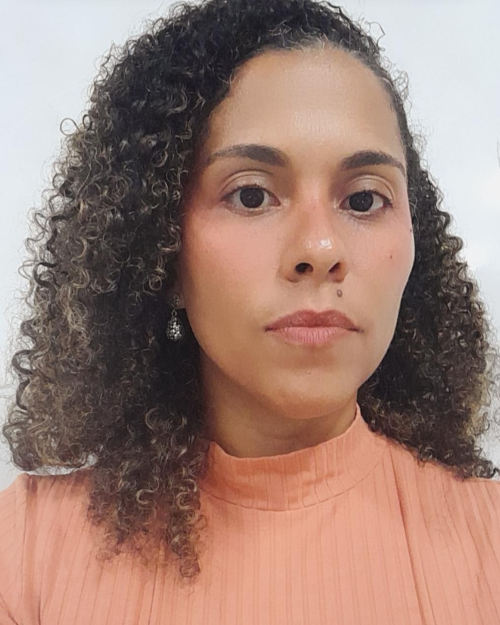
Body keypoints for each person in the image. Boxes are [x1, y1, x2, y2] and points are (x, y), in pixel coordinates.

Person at [1, 0, 500, 622]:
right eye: (253, 195)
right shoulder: (25, 559)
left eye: (364, 200)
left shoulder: (490, 547)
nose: (320, 249)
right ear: (161, 250)